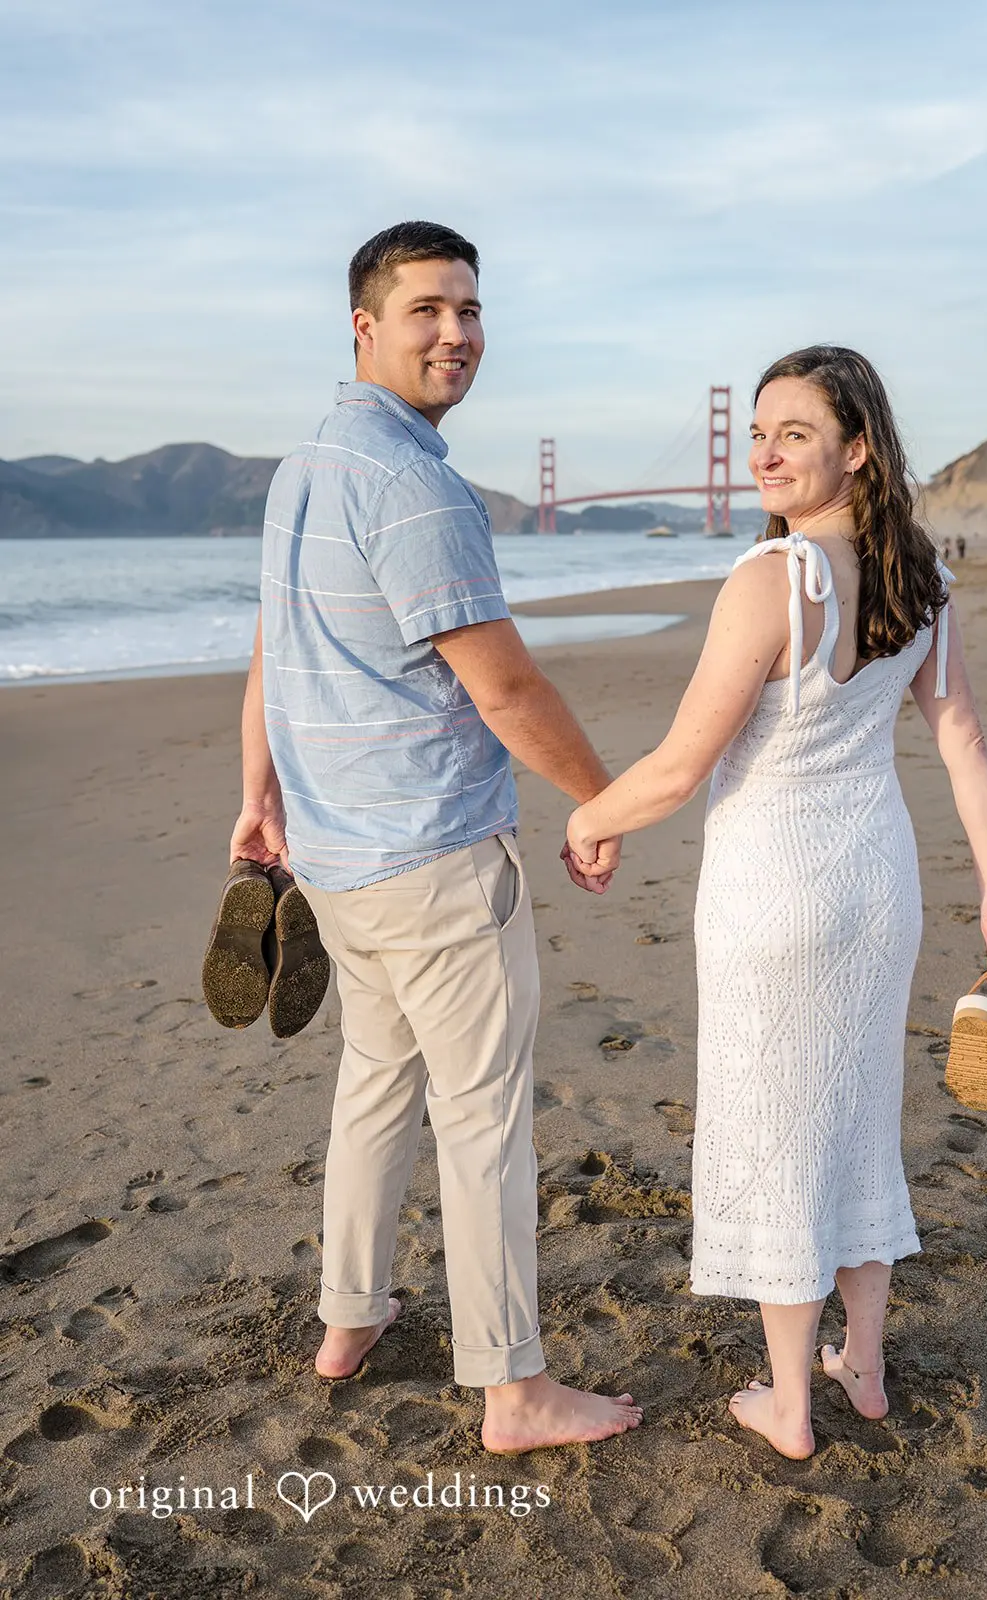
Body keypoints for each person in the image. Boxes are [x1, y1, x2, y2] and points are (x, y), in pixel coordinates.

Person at [563, 345, 987, 1459]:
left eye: (794, 434)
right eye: (757, 431)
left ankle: (788, 1401)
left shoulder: (769, 580)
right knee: (859, 1115)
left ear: (855, 448)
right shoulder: (920, 576)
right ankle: (859, 1367)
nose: (763, 452)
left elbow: (681, 764)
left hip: (771, 889)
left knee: (778, 1132)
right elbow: (958, 737)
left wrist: (591, 818)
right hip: (875, 882)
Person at [229, 220, 641, 1452]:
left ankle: (347, 1317)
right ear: (364, 326)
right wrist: (599, 798)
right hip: (438, 859)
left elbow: (273, 643)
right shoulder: (415, 481)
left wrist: (258, 792)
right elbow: (504, 687)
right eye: (425, 310)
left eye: (468, 308)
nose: (454, 332)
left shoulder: (304, 462)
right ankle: (512, 1390)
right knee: (481, 1120)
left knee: (374, 1085)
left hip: (342, 862)